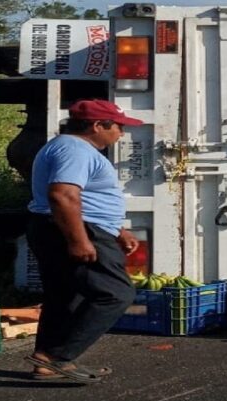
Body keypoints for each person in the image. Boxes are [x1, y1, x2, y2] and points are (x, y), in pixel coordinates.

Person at [24, 99, 143, 382]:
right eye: (118, 127)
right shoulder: (74, 149)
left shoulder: (69, 147)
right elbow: (63, 195)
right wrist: (80, 240)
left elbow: (85, 198)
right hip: (75, 230)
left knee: (66, 296)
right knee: (116, 293)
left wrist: (116, 230)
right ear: (98, 125)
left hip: (66, 227)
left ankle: (49, 361)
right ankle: (55, 357)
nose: (121, 134)